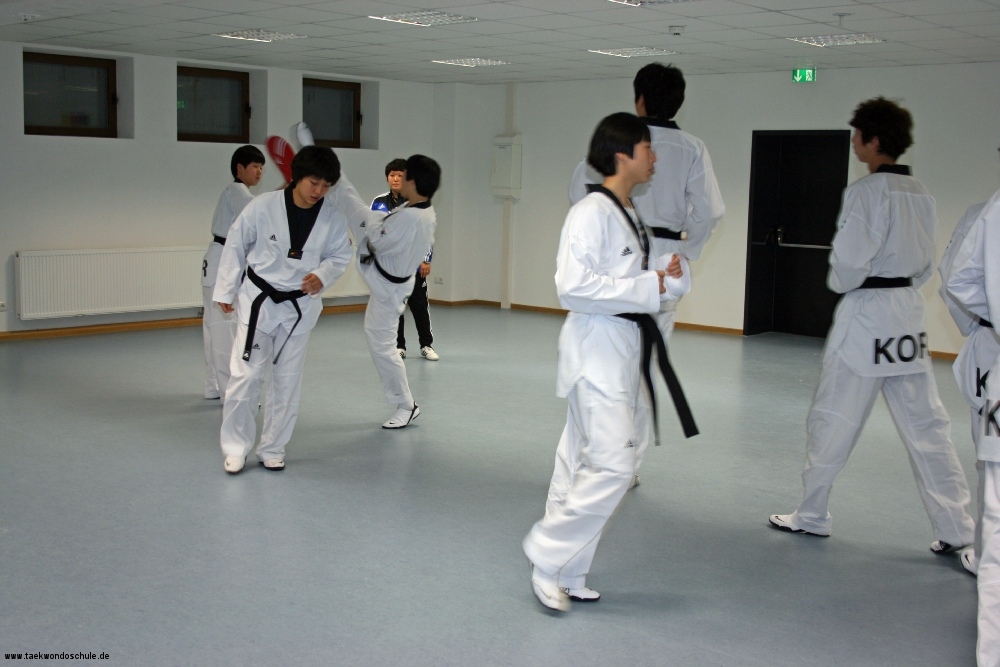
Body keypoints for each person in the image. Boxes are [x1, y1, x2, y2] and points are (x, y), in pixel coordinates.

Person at [768, 97, 975, 555]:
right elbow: (926, 265)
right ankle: (958, 529)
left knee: (833, 417)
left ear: (874, 140)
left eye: (858, 136)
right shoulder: (922, 193)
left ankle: (812, 514)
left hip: (866, 314)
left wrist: (841, 281)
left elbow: (847, 266)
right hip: (907, 315)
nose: (854, 144)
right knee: (928, 427)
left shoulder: (866, 193)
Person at [523, 112, 690, 612]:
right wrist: (647, 284)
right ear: (623, 154)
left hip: (620, 349)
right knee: (615, 465)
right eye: (647, 148)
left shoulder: (628, 211)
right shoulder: (591, 212)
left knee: (577, 461)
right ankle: (547, 552)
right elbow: (573, 286)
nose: (654, 157)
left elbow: (624, 278)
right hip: (595, 352)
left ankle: (568, 571)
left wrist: (663, 275)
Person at [569, 62, 724, 482]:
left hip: (616, 260)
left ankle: (595, 457)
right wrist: (686, 251)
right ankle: (627, 466)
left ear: (639, 100)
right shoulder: (692, 148)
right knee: (644, 368)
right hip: (664, 265)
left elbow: (579, 191)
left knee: (603, 360)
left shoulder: (618, 143)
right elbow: (710, 210)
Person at [213, 146, 353, 474]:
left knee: (286, 381)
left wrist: (322, 275)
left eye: (326, 186)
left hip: (298, 306)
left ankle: (273, 447)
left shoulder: (333, 217)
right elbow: (236, 244)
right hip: (259, 301)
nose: (319, 191)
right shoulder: (262, 206)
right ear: (297, 177)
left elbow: (340, 255)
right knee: (246, 377)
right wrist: (226, 288)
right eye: (314, 183)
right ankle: (235, 447)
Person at [329, 155, 440, 429]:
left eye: (405, 175)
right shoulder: (419, 209)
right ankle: (328, 167)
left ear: (413, 181)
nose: (400, 178)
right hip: (388, 277)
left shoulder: (412, 218)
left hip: (388, 287)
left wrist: (360, 231)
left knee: (382, 347)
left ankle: (406, 405)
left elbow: (377, 242)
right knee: (349, 200)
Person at [944, 185, 1000, 665]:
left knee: (994, 488)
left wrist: (988, 323)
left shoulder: (990, 210)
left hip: (990, 348)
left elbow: (958, 279)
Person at [202, 145, 263, 401]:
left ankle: (214, 386)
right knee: (224, 327)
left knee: (214, 326)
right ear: (240, 168)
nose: (259, 172)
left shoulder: (238, 193)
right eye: (255, 167)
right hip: (222, 261)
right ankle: (230, 391)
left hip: (219, 259)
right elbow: (259, 213)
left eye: (262, 168)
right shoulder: (237, 191)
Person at [371, 159, 439, 361]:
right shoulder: (379, 202)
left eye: (400, 175)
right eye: (392, 175)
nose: (395, 179)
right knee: (395, 308)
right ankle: (399, 346)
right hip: (390, 266)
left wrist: (426, 260)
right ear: (387, 178)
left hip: (414, 264)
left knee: (419, 306)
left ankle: (426, 345)